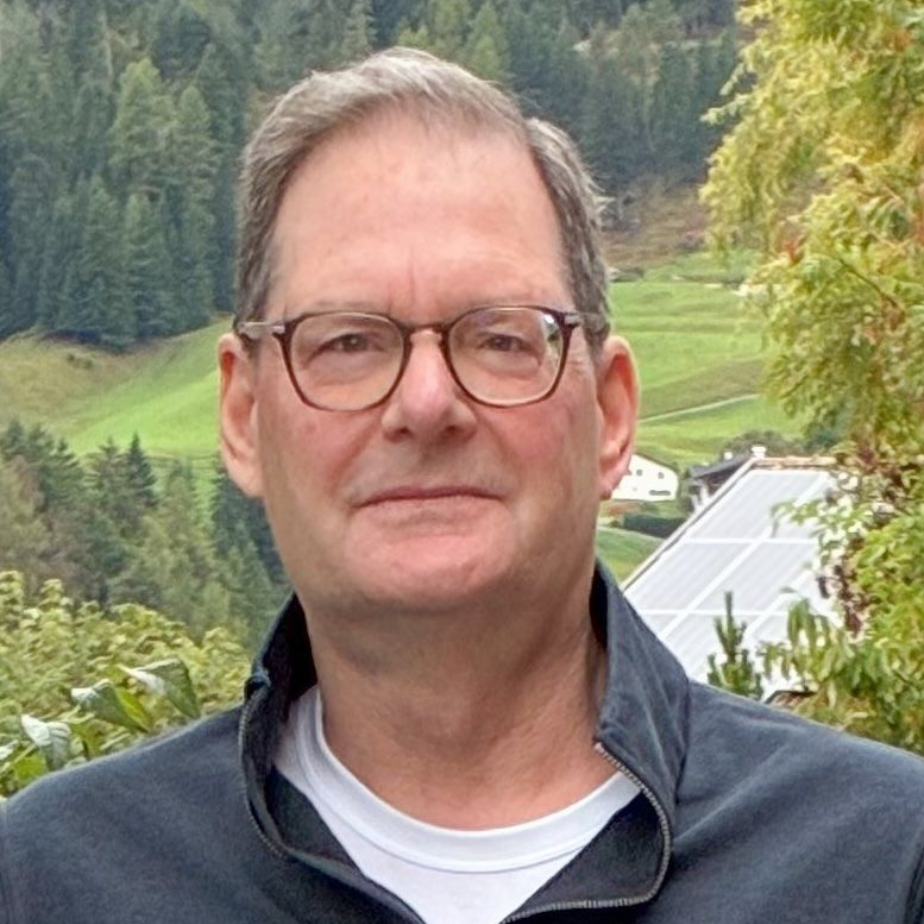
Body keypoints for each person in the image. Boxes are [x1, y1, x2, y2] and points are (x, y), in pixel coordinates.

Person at [2, 48, 924, 924]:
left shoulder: (883, 866)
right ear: (244, 416)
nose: (428, 403)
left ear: (609, 412)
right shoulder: (52, 882)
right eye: (348, 343)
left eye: (499, 336)